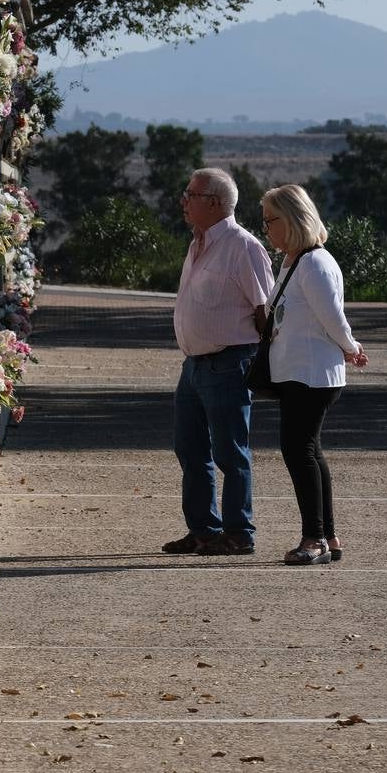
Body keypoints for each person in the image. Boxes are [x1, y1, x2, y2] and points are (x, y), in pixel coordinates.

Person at [163, 168, 275, 557]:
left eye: (190, 194)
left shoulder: (243, 246)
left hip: (229, 363)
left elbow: (266, 311)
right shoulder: (198, 243)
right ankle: (204, 530)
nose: (183, 201)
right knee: (190, 451)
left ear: (213, 202)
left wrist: (264, 362)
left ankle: (239, 532)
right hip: (194, 365)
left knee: (230, 452)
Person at [259, 185, 367, 566]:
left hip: (312, 375)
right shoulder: (294, 261)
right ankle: (328, 535)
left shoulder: (315, 262)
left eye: (269, 220)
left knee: (299, 451)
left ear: (290, 220)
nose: (266, 229)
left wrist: (352, 348)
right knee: (309, 451)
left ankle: (314, 538)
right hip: (298, 373)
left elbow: (332, 317)